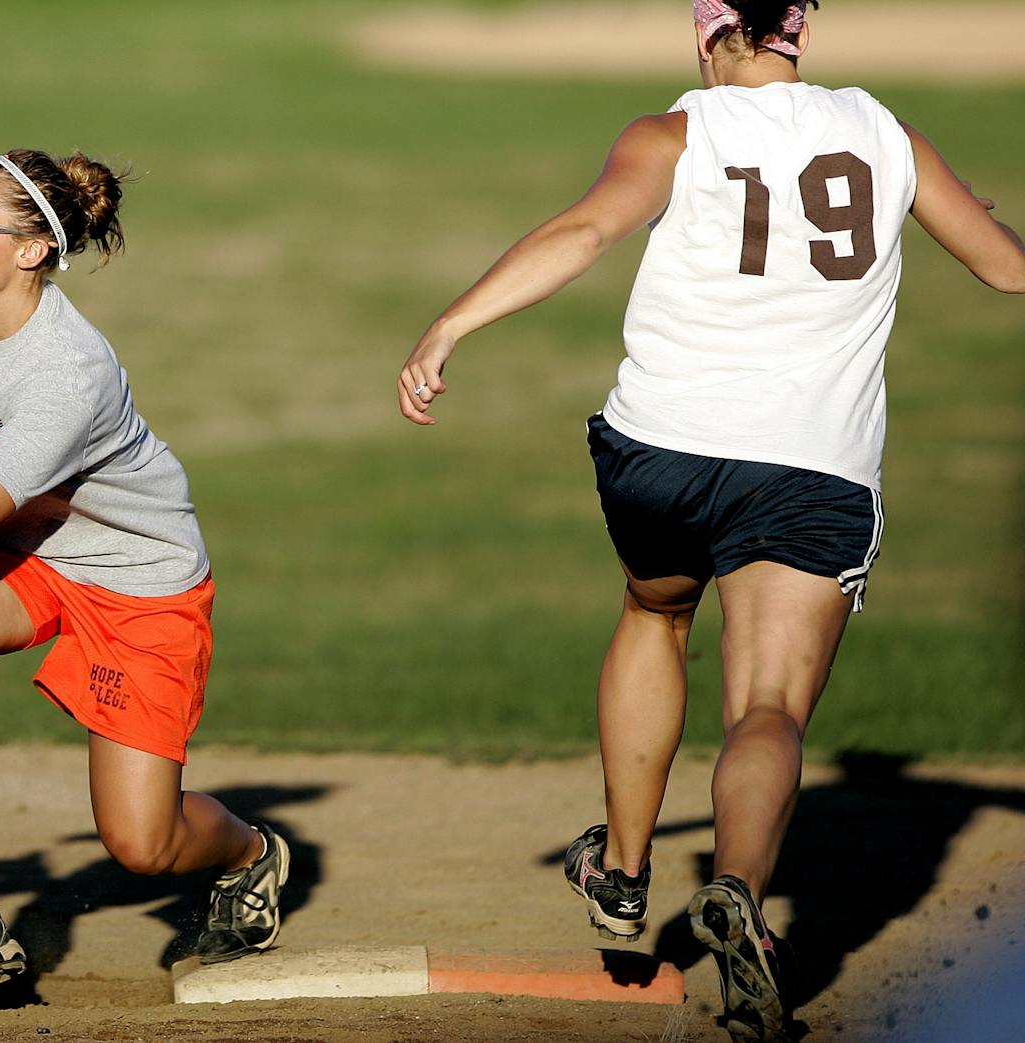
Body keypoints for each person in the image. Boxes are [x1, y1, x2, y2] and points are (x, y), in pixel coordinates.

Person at [397, 2, 1024, 1040]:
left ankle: (626, 869)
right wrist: (986, 219)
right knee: (766, 705)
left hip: (660, 452)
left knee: (655, 614)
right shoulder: (884, 134)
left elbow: (584, 229)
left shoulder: (669, 131)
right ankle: (735, 889)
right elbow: (1002, 264)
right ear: (800, 33)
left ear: (706, 35)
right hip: (811, 465)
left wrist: (451, 322)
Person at [0, 148, 290, 989]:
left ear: (29, 252)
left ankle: (250, 851)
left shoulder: (70, 369)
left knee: (142, 843)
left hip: (134, 578)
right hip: (27, 541)